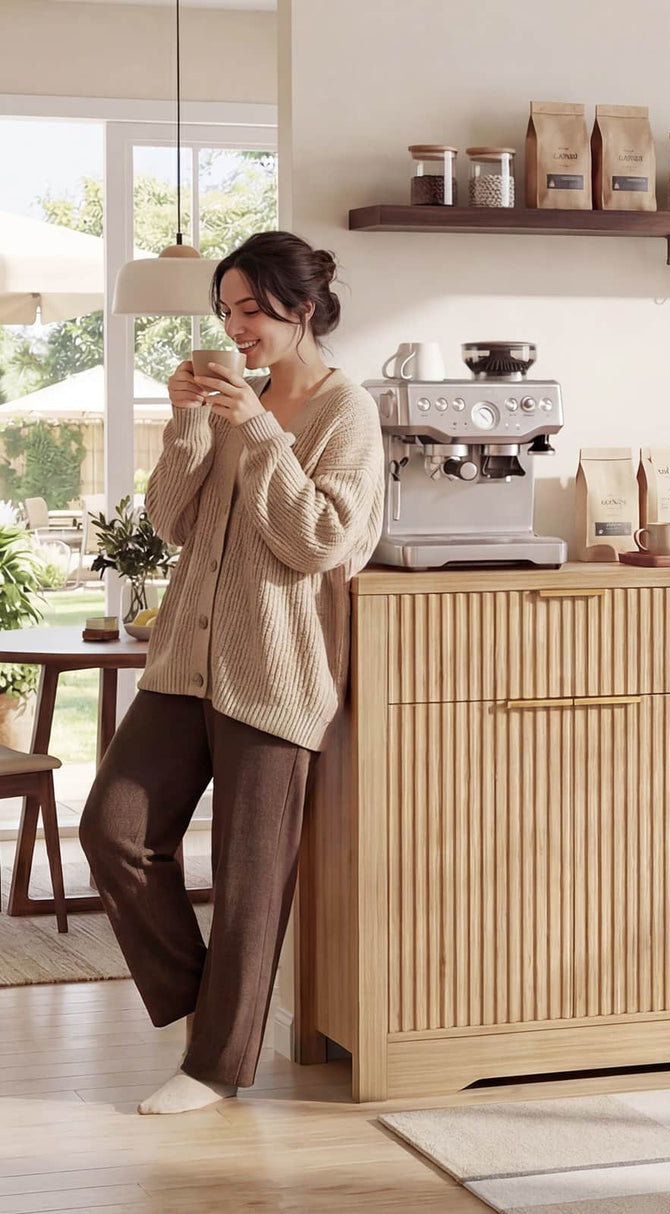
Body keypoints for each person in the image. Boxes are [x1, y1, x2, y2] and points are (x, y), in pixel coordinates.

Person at [79, 231, 384, 1115]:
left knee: (251, 881)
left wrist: (257, 430)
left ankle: (214, 1068)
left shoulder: (345, 412)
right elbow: (172, 522)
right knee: (114, 830)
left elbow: (318, 540)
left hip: (278, 673)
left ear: (304, 309)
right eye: (225, 309)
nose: (234, 326)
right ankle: (207, 1013)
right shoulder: (229, 402)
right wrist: (187, 421)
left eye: (251, 309)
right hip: (184, 661)